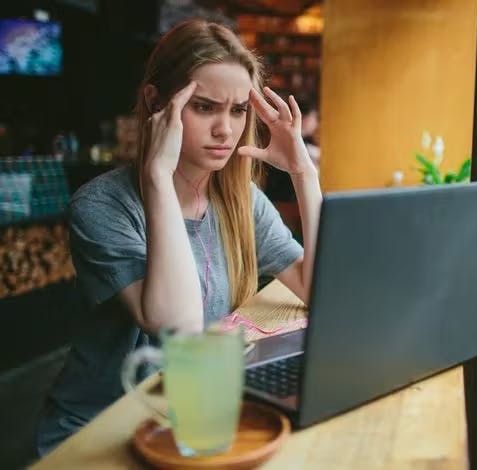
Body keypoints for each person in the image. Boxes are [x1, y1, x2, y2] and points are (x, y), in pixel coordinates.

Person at [36, 19, 321, 454]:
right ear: (156, 102)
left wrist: (304, 173)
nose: (226, 129)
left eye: (238, 109)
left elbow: (317, 287)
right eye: (205, 107)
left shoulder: (240, 199)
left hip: (190, 414)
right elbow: (180, 326)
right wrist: (157, 175)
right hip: (100, 431)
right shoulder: (101, 206)